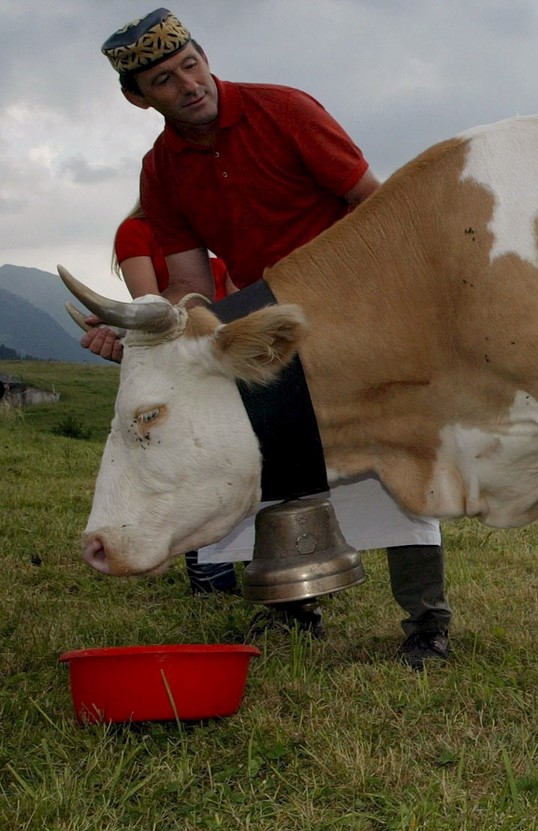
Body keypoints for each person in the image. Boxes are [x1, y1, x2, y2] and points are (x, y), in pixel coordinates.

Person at [91, 7, 454, 669]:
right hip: (258, 325)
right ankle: (293, 606)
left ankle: (427, 624)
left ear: (204, 58)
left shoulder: (283, 110)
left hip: (352, 314)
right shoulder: (161, 170)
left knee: (392, 464)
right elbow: (193, 287)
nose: (190, 84)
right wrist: (136, 330)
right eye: (167, 81)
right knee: (271, 466)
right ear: (139, 98)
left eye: (192, 65)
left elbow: (371, 205)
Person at [112, 202, 237, 594]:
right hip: (178, 368)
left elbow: (239, 293)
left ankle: (260, 572)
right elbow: (151, 308)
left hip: (225, 363)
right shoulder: (136, 231)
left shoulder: (220, 227)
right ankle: (211, 578)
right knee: (192, 464)